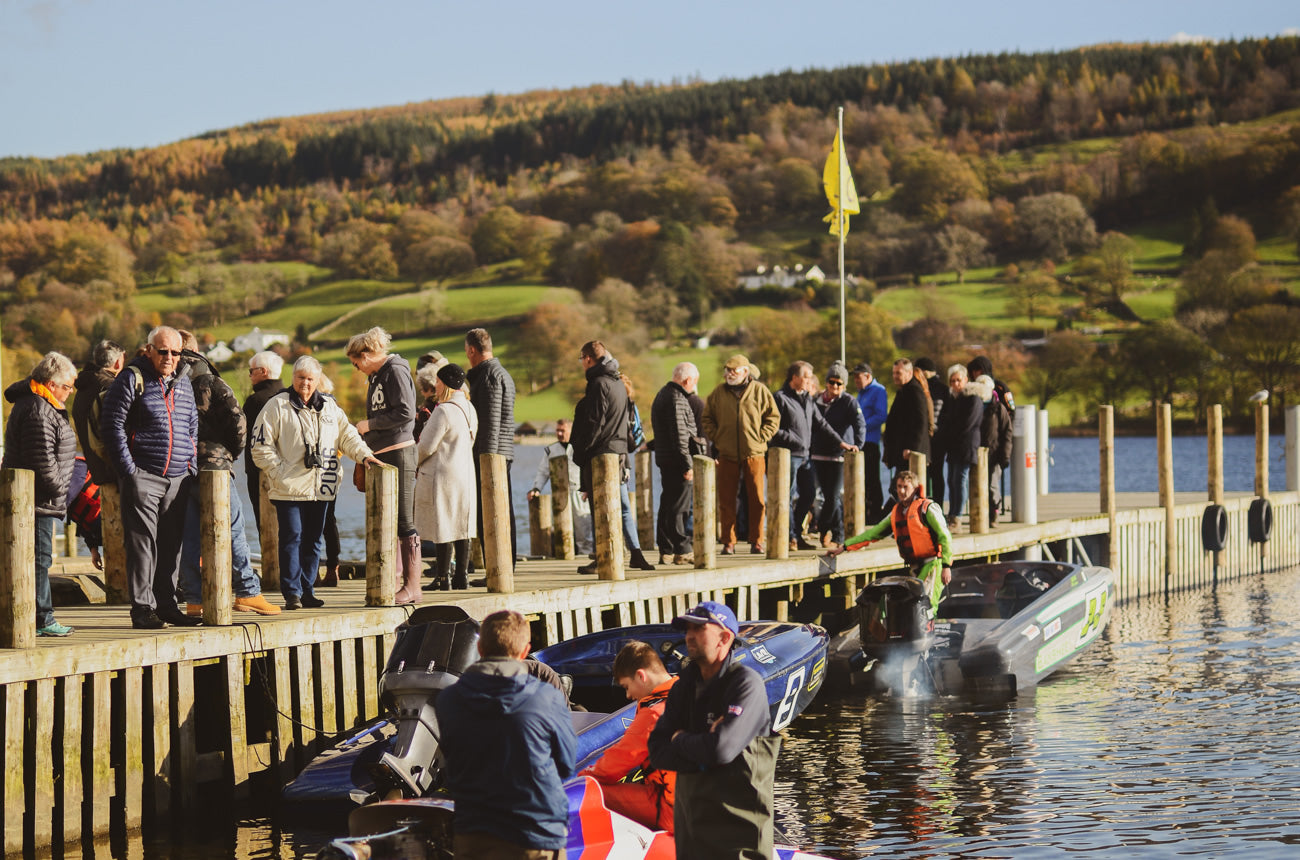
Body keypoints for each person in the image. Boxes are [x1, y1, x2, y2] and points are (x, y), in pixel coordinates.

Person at [436, 609, 576, 859]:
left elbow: (451, 760)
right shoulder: (547, 696)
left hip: (474, 833)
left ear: (479, 648)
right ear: (525, 652)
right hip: (535, 833)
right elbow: (566, 764)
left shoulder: (448, 700)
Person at [648, 601, 780, 859]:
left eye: (699, 629)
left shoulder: (746, 684)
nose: (689, 636)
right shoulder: (682, 687)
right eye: (687, 629)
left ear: (725, 637)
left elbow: (721, 749)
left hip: (739, 843)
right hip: (692, 839)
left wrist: (680, 739)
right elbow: (657, 752)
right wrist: (701, 745)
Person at [251, 356, 379, 610]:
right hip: (288, 488)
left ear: (318, 380)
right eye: (301, 378)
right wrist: (278, 472)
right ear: (293, 378)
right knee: (292, 537)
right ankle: (292, 593)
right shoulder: (276, 406)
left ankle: (308, 589)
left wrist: (365, 455)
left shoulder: (331, 408)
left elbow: (348, 437)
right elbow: (259, 446)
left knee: (313, 540)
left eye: (310, 379)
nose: (305, 384)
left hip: (322, 486)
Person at [100, 326, 201, 630]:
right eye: (163, 351)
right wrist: (129, 471)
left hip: (178, 478)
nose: (170, 357)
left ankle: (167, 605)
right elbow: (111, 425)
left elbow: (192, 426)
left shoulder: (184, 382)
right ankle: (143, 608)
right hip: (143, 475)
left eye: (175, 352)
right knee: (143, 544)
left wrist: (190, 463)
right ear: (149, 350)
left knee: (171, 545)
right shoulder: (132, 378)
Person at [175, 333, 279, 617]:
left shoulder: (168, 381)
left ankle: (194, 599)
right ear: (195, 350)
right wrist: (230, 452)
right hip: (215, 465)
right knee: (233, 528)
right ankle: (247, 591)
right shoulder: (208, 380)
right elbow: (237, 421)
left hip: (181, 467)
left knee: (189, 535)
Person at [2, 352, 80, 637]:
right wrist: (61, 490)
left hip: (39, 499)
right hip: (38, 500)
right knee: (39, 559)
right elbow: (42, 460)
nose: (70, 393)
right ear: (51, 383)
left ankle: (40, 617)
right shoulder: (39, 409)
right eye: (68, 386)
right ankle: (43, 619)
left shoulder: (41, 404)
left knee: (37, 558)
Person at [347, 327, 422, 604]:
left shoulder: (396, 370)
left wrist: (370, 425)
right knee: (388, 519)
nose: (356, 369)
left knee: (404, 519)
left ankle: (413, 586)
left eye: (356, 363)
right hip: (382, 453)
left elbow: (405, 412)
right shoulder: (377, 376)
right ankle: (392, 579)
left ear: (365, 355)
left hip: (400, 451)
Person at [570, 341, 654, 572]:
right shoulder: (618, 382)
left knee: (602, 507)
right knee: (622, 506)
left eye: (582, 360)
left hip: (602, 455)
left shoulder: (598, 383)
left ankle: (604, 557)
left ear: (588, 358)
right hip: (619, 453)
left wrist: (582, 451)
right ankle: (631, 554)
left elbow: (595, 422)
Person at [579, 640, 678, 832]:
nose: (628, 696)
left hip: (673, 810)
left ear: (641, 676)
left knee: (591, 791)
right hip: (702, 804)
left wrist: (580, 780)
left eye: (626, 686)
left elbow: (616, 763)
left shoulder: (654, 714)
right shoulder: (690, 692)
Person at [829, 470, 953, 610]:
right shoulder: (897, 512)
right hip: (914, 567)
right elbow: (873, 534)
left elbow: (945, 536)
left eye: (906, 487)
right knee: (913, 606)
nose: (901, 490)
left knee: (927, 605)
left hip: (932, 565)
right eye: (899, 486)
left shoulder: (927, 508)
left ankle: (930, 629)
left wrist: (946, 566)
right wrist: (844, 547)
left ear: (915, 488)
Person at [772, 360, 855, 551]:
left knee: (808, 494)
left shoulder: (807, 399)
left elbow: (821, 424)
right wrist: (793, 439)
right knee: (787, 495)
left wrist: (841, 442)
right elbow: (773, 428)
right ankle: (790, 537)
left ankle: (796, 535)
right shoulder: (780, 398)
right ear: (795, 378)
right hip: (788, 456)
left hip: (805, 457)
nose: (810, 381)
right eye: (806, 377)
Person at [702, 354, 780, 555]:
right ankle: (728, 542)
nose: (729, 374)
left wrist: (761, 437)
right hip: (727, 453)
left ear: (745, 372)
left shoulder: (760, 391)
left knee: (757, 499)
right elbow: (707, 418)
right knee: (726, 500)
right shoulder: (718, 393)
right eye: (727, 370)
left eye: (733, 371)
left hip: (754, 452)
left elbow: (773, 417)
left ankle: (757, 540)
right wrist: (717, 438)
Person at [413, 362, 479, 591]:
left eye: (439, 382)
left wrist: (413, 463)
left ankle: (443, 578)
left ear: (447, 384)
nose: (436, 386)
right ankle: (462, 576)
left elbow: (426, 446)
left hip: (442, 474)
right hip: (465, 474)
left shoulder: (444, 410)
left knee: (444, 525)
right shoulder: (470, 408)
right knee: (462, 525)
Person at [465, 327, 519, 563]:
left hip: (491, 457)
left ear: (473, 350)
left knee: (491, 512)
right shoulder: (501, 373)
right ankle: (504, 563)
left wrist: (484, 460)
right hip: (501, 453)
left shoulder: (488, 377)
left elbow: (489, 423)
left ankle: (498, 566)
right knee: (502, 510)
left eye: (467, 351)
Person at [812, 361, 867, 550]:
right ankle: (831, 531)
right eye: (832, 382)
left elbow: (860, 424)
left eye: (839, 384)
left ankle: (832, 531)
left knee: (833, 497)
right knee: (818, 495)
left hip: (838, 455)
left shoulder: (849, 402)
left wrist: (858, 445)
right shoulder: (816, 401)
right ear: (827, 382)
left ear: (844, 386)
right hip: (817, 454)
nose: (835, 387)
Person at [651, 362, 699, 566]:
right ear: (687, 380)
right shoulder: (677, 399)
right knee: (679, 507)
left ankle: (666, 549)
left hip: (666, 459)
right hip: (676, 461)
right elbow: (681, 436)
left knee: (668, 504)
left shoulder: (663, 394)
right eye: (694, 383)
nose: (693, 388)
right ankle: (682, 549)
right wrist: (687, 465)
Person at [527, 418, 594, 555]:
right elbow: (543, 472)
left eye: (563, 430)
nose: (559, 433)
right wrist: (536, 488)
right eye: (557, 430)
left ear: (570, 430)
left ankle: (585, 557)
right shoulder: (551, 450)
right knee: (561, 532)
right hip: (559, 495)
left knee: (584, 531)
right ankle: (564, 557)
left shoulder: (581, 447)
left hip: (579, 493)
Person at [934, 366, 986, 530]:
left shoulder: (973, 398)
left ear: (965, 380)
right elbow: (947, 420)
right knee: (951, 480)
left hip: (966, 445)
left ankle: (957, 516)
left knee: (960, 480)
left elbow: (967, 424)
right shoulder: (954, 399)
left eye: (958, 380)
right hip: (954, 447)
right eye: (952, 381)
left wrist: (950, 431)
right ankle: (952, 514)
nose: (955, 384)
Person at [70, 339, 125, 487]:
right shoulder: (111, 388)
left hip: (97, 470)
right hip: (115, 470)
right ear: (118, 363)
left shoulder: (84, 387)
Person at [243, 350, 286, 532]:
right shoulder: (288, 397)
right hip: (287, 469)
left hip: (259, 470)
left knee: (265, 523)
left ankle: (270, 560)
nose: (250, 375)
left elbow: (243, 434)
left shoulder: (255, 401)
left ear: (263, 371)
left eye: (251, 371)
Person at [882, 359, 932, 495]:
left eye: (898, 373)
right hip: (903, 452)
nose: (895, 376)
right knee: (898, 489)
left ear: (909, 373)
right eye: (893, 373)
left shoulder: (914, 391)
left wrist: (912, 447)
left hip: (911, 453)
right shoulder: (904, 391)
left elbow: (921, 422)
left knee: (901, 490)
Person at [973, 372, 1014, 524]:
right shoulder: (973, 406)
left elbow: (1007, 432)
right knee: (977, 484)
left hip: (994, 453)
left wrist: (1005, 455)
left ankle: (994, 512)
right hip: (976, 453)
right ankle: (979, 514)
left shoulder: (999, 408)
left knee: (992, 485)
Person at [852, 363, 887, 522]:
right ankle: (865, 510)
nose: (856, 381)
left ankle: (875, 511)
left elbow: (881, 416)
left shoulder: (878, 390)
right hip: (860, 441)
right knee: (862, 478)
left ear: (867, 376)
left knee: (872, 477)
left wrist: (862, 426)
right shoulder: (862, 392)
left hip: (870, 441)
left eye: (858, 377)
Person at [913, 357, 947, 509]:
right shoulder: (944, 389)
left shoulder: (922, 388)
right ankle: (937, 507)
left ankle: (924, 507)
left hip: (930, 440)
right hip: (939, 439)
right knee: (937, 475)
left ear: (924, 372)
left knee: (925, 475)